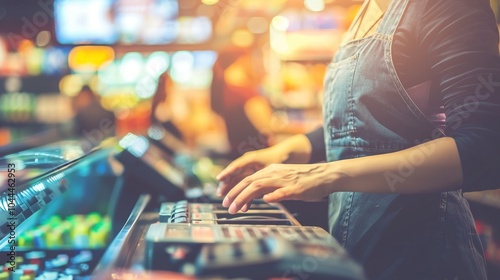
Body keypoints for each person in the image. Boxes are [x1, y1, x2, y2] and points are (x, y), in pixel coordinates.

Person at [216, 0, 500, 279]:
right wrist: (284, 152)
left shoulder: (448, 5)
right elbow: (357, 128)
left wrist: (327, 173)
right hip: (355, 241)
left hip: (422, 251)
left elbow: (486, 146)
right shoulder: (365, 11)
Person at [210, 47, 272, 159]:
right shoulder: (245, 92)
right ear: (241, 61)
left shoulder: (225, 88)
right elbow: (267, 127)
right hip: (255, 156)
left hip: (238, 153)